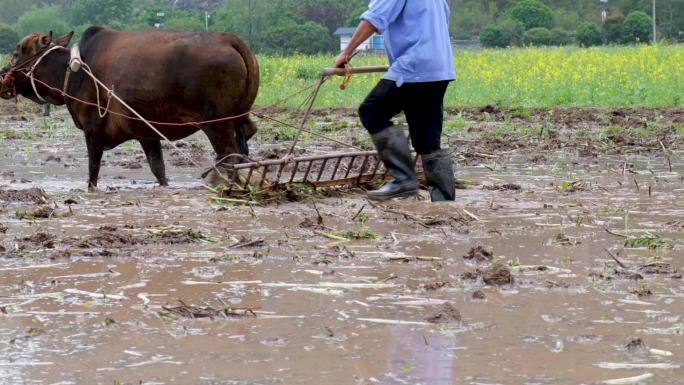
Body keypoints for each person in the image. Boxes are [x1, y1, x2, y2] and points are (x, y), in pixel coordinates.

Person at [335, 0, 456, 202]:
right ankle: (444, 201)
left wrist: (346, 52)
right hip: (439, 68)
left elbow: (374, 18)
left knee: (372, 111)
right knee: (427, 140)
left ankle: (403, 180)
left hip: (414, 65)